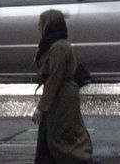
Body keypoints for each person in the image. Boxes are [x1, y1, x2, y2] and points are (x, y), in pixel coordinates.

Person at [32, 10, 93, 164]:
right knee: (53, 135)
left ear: (48, 25)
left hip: (62, 98)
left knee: (61, 136)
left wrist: (41, 107)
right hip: (60, 96)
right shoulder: (55, 45)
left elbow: (55, 78)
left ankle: (80, 158)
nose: (38, 27)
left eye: (41, 23)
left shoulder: (59, 47)